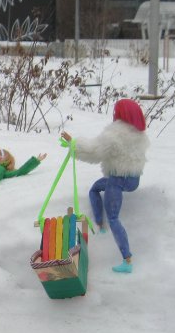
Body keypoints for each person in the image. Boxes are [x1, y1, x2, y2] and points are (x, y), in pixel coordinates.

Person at [61, 98, 148, 274]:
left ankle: (127, 260)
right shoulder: (139, 134)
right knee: (95, 188)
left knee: (114, 218)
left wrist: (73, 144)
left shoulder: (114, 135)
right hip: (133, 179)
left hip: (117, 179)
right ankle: (100, 225)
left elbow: (94, 151)